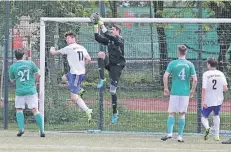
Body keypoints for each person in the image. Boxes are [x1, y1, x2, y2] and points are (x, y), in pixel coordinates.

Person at [49, 32, 93, 123]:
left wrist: (52, 48)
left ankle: (87, 110)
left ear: (74, 38)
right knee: (64, 78)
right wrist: (82, 66)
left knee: (73, 97)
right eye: (66, 38)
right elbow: (88, 59)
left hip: (76, 74)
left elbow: (53, 53)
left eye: (69, 38)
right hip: (78, 73)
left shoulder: (69, 48)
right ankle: (79, 89)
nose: (67, 40)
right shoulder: (82, 47)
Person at [161, 45, 197, 142]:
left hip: (175, 92)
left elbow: (165, 76)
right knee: (182, 114)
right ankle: (180, 136)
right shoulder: (190, 64)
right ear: (186, 52)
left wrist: (166, 88)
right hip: (185, 93)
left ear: (178, 52)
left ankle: (169, 133)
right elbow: (195, 80)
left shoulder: (173, 63)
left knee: (171, 112)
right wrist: (192, 90)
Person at [93, 14, 126, 124]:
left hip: (117, 67)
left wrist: (101, 21)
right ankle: (102, 79)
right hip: (110, 64)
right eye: (111, 29)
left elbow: (107, 34)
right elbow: (97, 37)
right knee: (101, 54)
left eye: (113, 29)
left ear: (118, 31)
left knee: (112, 91)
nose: (111, 31)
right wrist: (95, 24)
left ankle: (115, 112)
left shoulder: (119, 40)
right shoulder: (110, 41)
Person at [9, 48, 45, 137]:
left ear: (15, 57)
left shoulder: (12, 67)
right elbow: (39, 74)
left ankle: (21, 129)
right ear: (24, 55)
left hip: (20, 91)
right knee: (35, 110)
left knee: (19, 109)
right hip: (31, 90)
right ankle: (42, 130)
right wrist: (35, 82)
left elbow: (12, 80)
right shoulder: (30, 63)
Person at [201, 57, 228, 141]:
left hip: (208, 100)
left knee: (203, 117)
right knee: (216, 115)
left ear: (209, 65)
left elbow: (204, 88)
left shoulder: (206, 74)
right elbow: (225, 88)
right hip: (218, 99)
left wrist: (203, 100)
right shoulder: (221, 73)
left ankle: (207, 127)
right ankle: (217, 135)